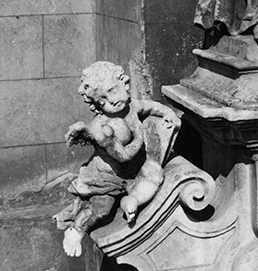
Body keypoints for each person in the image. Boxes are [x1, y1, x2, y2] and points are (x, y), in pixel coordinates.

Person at [52, 62, 179, 256]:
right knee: (102, 211)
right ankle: (76, 230)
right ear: (97, 105)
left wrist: (168, 113)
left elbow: (151, 107)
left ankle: (132, 200)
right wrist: (139, 134)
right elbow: (124, 156)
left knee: (154, 174)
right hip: (106, 178)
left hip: (130, 171)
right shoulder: (102, 128)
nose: (111, 100)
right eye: (102, 100)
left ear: (124, 84)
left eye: (112, 90)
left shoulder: (132, 106)